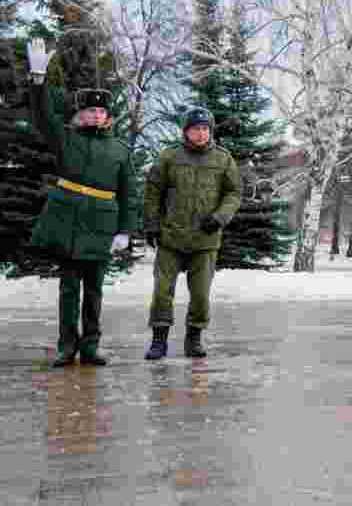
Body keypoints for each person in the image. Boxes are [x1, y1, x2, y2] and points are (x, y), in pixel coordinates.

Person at [25, 38, 139, 368]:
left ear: (107, 116)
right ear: (80, 114)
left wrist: (125, 231)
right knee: (69, 289)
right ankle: (66, 346)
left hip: (101, 223)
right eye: (89, 110)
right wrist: (37, 79)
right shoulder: (66, 138)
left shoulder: (119, 149)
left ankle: (91, 346)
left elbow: (129, 192)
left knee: (94, 290)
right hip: (69, 221)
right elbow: (43, 114)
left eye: (100, 111)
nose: (95, 115)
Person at [143, 106, 241, 360]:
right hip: (171, 236)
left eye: (205, 129)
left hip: (205, 239)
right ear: (186, 131)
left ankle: (194, 338)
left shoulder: (223, 159)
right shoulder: (169, 157)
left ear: (210, 131)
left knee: (200, 294)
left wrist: (219, 218)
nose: (201, 134)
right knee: (162, 291)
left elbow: (233, 193)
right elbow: (153, 191)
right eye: (195, 129)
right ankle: (159, 340)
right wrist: (151, 224)